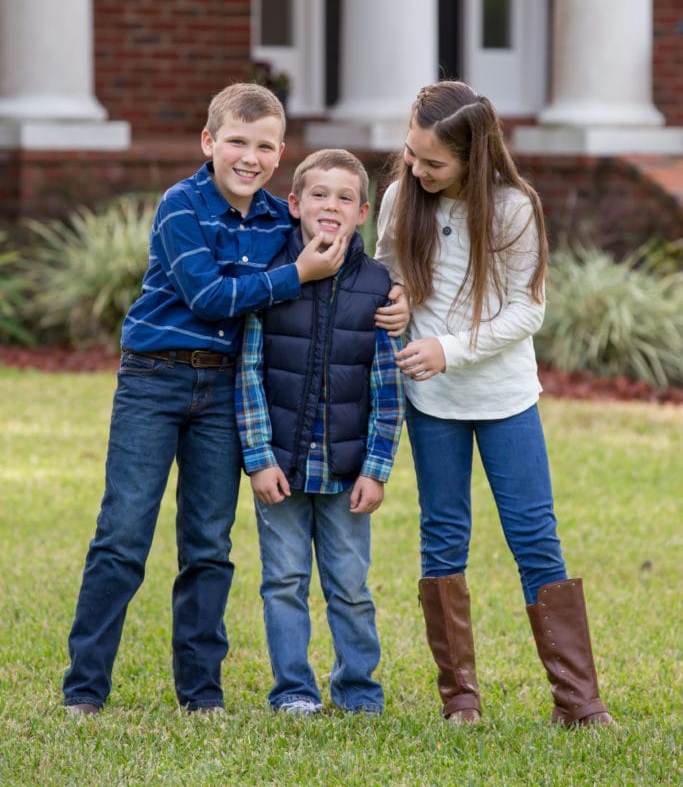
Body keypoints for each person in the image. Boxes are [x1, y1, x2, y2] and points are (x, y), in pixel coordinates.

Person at [62, 83, 353, 718]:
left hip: (224, 390)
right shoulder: (180, 207)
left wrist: (398, 294)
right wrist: (295, 275)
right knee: (123, 534)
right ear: (209, 143)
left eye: (265, 146)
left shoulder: (280, 218)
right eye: (237, 143)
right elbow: (210, 297)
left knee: (208, 542)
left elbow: (340, 251)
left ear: (279, 154)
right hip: (154, 381)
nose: (250, 158)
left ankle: (201, 694)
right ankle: (84, 688)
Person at [375, 81, 614, 727]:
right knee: (443, 535)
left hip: (504, 397)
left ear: (473, 157)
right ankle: (460, 701)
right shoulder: (401, 198)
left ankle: (578, 703)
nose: (417, 171)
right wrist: (393, 304)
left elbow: (526, 311)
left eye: (433, 163)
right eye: (412, 155)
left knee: (534, 537)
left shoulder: (512, 209)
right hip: (432, 401)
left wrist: (448, 349)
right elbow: (388, 276)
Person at [236, 149, 406, 716]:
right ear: (294, 205)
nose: (329, 206)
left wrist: (377, 470)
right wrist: (259, 458)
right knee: (283, 581)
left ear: (363, 212)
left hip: (346, 469)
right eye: (317, 195)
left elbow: (387, 390)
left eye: (343, 198)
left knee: (350, 587)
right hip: (281, 466)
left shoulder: (378, 286)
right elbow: (250, 374)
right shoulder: (273, 280)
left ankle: (358, 690)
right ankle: (293, 691)